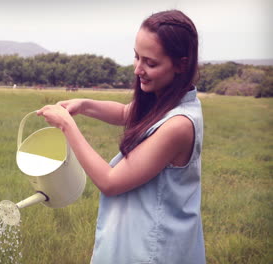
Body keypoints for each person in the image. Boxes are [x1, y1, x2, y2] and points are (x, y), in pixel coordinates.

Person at [37, 10, 205, 264]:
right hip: (137, 239)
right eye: (136, 57)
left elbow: (110, 181)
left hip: (155, 250)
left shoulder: (179, 125)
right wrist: (84, 105)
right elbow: (128, 112)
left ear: (181, 64)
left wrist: (66, 126)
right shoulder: (166, 102)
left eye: (151, 63)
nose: (138, 69)